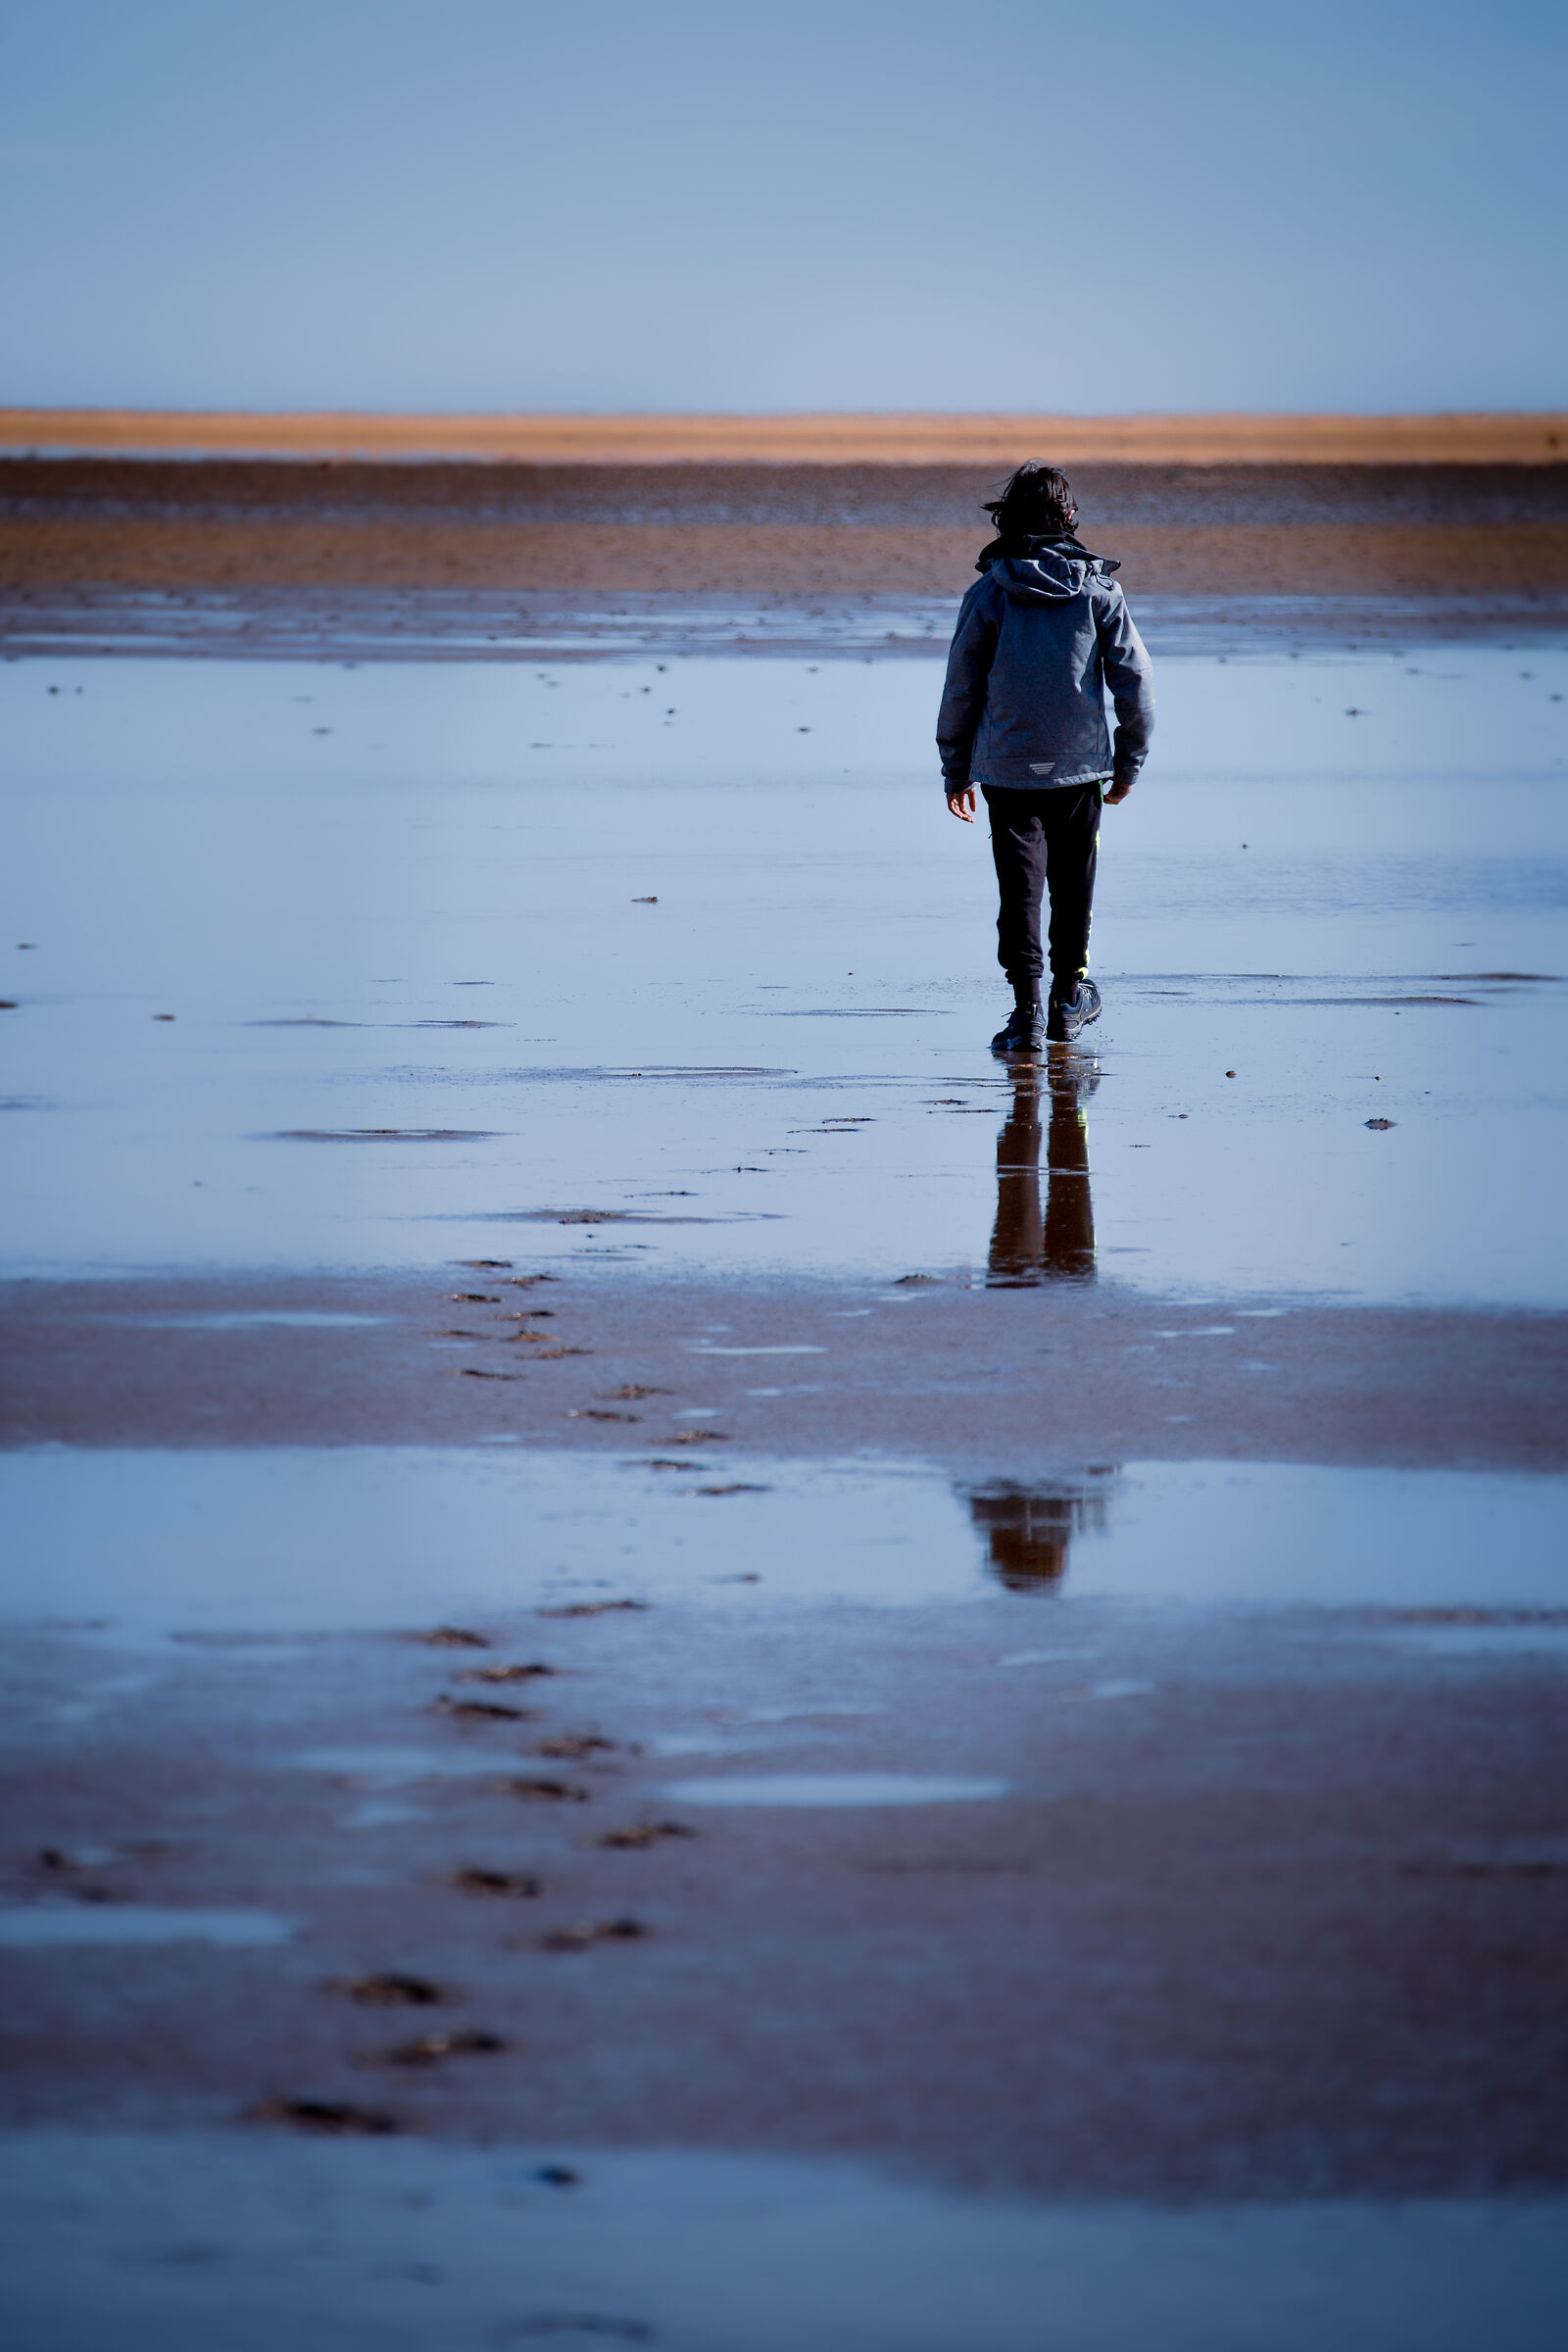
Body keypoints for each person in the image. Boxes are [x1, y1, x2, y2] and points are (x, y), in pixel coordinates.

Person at [936, 463, 1153, 1051]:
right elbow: (1135, 683)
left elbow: (961, 686)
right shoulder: (1098, 591)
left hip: (1008, 768)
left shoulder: (987, 593)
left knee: (1021, 888)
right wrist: (1130, 763)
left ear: (1005, 520)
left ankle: (1028, 1015)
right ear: (1070, 517)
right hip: (1079, 768)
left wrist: (955, 768)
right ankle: (1066, 1001)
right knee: (1073, 884)